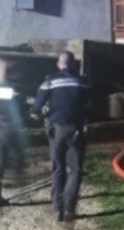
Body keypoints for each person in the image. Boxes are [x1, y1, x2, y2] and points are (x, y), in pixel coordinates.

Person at [31, 51, 90, 223]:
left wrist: (36, 112)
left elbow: (36, 107)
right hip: (77, 130)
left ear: (59, 63)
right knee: (75, 170)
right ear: (73, 64)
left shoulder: (50, 81)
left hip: (56, 129)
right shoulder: (83, 82)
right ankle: (69, 209)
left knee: (58, 168)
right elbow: (89, 106)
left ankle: (57, 209)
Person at [0, 58, 28, 208]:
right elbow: (22, 109)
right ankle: (18, 173)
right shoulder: (16, 90)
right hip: (10, 130)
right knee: (20, 154)